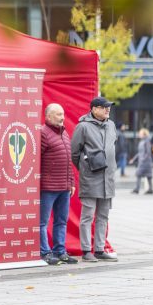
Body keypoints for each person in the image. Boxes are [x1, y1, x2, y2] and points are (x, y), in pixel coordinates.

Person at [71, 96, 119, 262]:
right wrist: (85, 170)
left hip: (108, 179)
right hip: (91, 179)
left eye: (109, 107)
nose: (108, 110)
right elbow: (74, 154)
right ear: (94, 109)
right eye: (104, 107)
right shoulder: (82, 127)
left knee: (103, 216)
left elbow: (113, 147)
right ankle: (86, 250)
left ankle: (99, 249)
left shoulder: (111, 125)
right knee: (88, 216)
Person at [39, 103, 78, 266]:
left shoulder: (64, 133)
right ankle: (45, 252)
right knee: (42, 222)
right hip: (47, 187)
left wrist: (71, 182)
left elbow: (68, 161)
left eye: (62, 114)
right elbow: (35, 161)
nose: (62, 117)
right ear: (48, 116)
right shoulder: (42, 133)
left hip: (64, 187)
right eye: (58, 114)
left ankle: (60, 251)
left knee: (61, 221)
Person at [131, 128, 153, 194]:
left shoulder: (147, 141)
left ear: (144, 134)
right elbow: (139, 152)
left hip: (145, 162)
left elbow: (148, 152)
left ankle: (137, 189)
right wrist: (133, 159)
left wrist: (143, 159)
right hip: (142, 161)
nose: (139, 135)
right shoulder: (142, 141)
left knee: (139, 174)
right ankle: (150, 189)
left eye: (140, 133)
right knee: (148, 175)